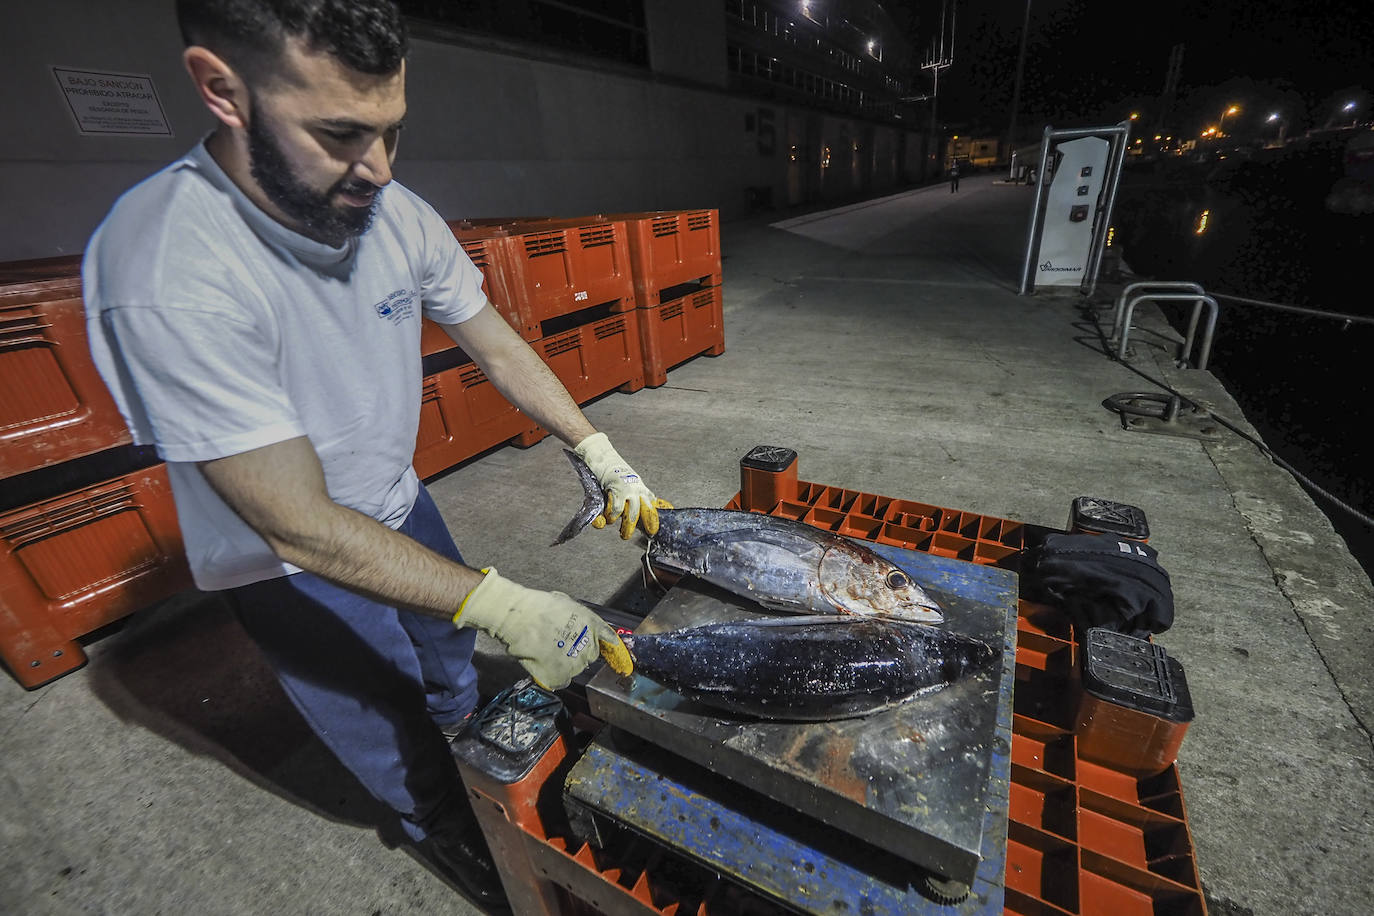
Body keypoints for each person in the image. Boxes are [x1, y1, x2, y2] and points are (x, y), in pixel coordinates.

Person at [81, 0, 669, 906]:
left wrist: (596, 448)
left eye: (392, 131)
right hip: (282, 558)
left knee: (447, 656)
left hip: (397, 496)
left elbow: (497, 343)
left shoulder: (392, 210)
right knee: (382, 719)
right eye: (341, 134)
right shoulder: (168, 267)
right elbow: (301, 526)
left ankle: (472, 745)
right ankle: (438, 820)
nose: (379, 169)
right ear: (221, 90)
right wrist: (504, 600)